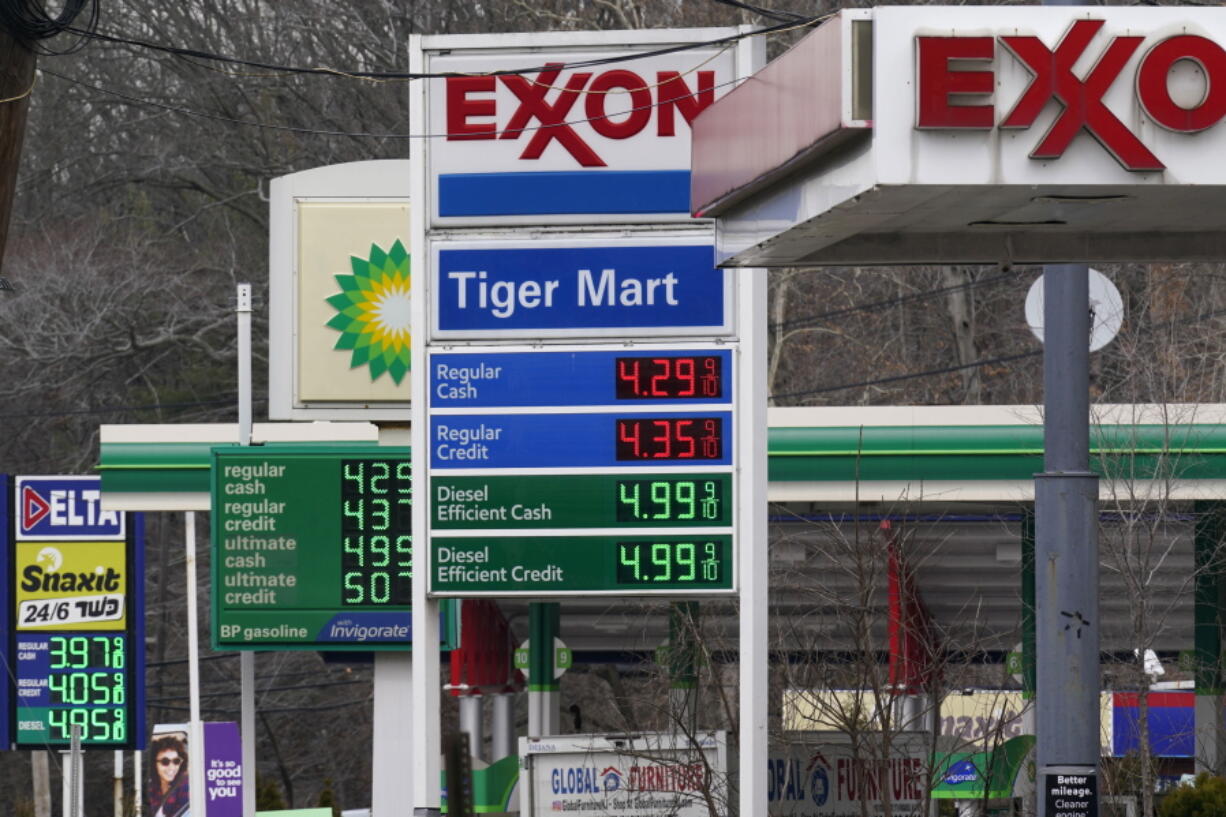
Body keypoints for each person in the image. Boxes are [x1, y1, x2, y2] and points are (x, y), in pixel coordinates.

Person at [147, 733, 190, 817]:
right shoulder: (152, 787)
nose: (172, 767)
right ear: (153, 764)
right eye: (165, 762)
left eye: (176, 761)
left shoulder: (185, 785)